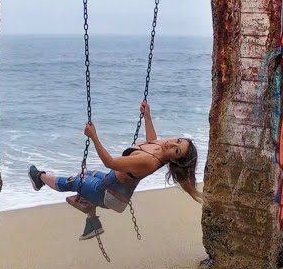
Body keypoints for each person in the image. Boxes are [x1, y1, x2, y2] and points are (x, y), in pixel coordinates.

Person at [28, 101, 202, 240]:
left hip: (110, 194)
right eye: (178, 140)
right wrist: (147, 116)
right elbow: (152, 140)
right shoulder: (161, 147)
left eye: (176, 150)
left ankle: (39, 178)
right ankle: (93, 222)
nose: (172, 143)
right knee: (87, 174)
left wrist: (94, 136)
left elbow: (110, 162)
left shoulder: (148, 162)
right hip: (113, 184)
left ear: (173, 159)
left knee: (74, 181)